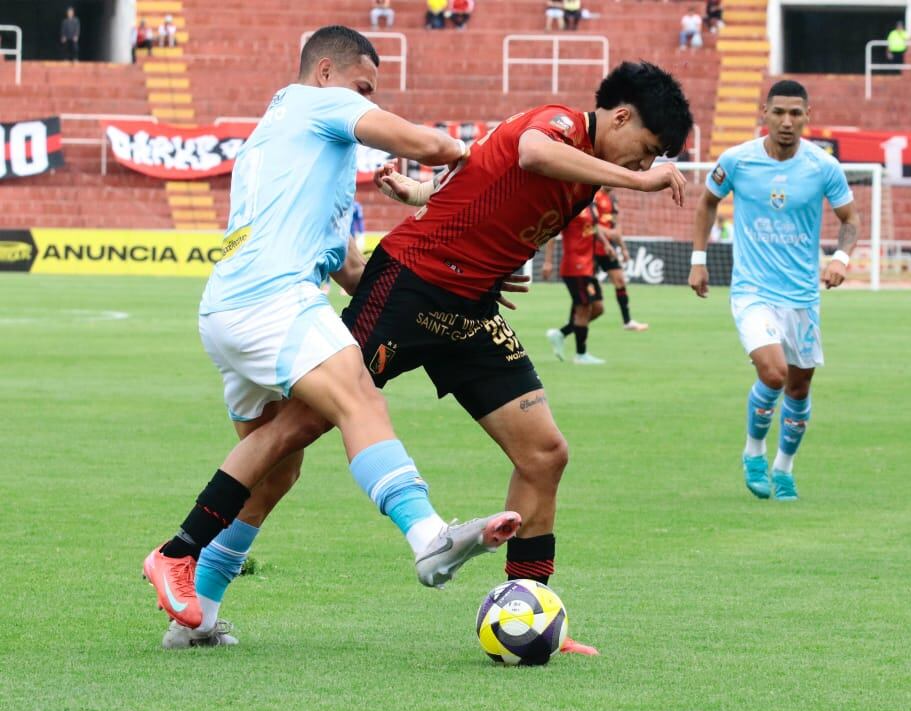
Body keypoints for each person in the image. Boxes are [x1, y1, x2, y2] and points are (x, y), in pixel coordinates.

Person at [166, 61, 693, 654]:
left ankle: (528, 609)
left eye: (650, 163)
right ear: (620, 118)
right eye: (644, 151)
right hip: (410, 286)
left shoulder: (589, 170)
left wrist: (429, 201)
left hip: (471, 308)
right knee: (301, 426)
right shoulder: (560, 125)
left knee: (545, 453)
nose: (643, 166)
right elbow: (530, 155)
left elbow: (480, 182)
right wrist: (641, 182)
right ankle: (192, 579)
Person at [144, 25, 522, 647]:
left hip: (230, 308)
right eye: (363, 87)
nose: (368, 101)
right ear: (326, 72)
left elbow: (348, 268)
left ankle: (197, 615)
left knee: (273, 471)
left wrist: (447, 286)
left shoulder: (289, 143)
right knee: (361, 399)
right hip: (272, 299)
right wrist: (477, 158)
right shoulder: (320, 103)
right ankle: (429, 537)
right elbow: (429, 143)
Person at [688, 79, 859, 502]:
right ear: (764, 113)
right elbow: (707, 201)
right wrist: (698, 260)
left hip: (802, 297)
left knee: (799, 389)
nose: (786, 122)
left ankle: (784, 468)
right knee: (774, 373)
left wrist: (841, 258)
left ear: (807, 117)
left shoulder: (823, 167)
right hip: (752, 292)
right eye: (778, 112)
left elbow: (850, 219)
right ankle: (753, 452)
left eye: (795, 113)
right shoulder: (738, 161)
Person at [543, 206, 608, 364]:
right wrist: (548, 262)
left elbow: (594, 227)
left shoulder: (591, 205)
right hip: (575, 267)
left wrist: (607, 244)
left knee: (598, 308)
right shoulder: (571, 206)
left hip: (589, 267)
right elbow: (552, 234)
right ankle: (581, 354)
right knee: (583, 309)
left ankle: (561, 333)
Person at [593, 187, 648, 330]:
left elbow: (616, 227)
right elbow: (592, 225)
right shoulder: (594, 196)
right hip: (591, 247)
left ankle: (627, 321)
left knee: (620, 280)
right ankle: (574, 324)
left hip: (608, 249)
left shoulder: (612, 198)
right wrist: (610, 233)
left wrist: (623, 248)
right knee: (588, 293)